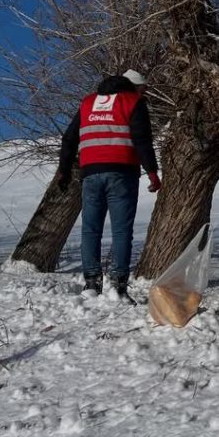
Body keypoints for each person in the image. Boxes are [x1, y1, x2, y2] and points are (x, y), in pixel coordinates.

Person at [58, 69, 162, 300]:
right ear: (132, 87)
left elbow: (69, 138)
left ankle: (92, 283)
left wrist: (63, 171)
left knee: (90, 229)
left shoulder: (88, 103)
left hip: (91, 174)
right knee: (121, 230)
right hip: (122, 173)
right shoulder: (133, 102)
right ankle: (118, 285)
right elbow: (141, 139)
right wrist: (152, 173)